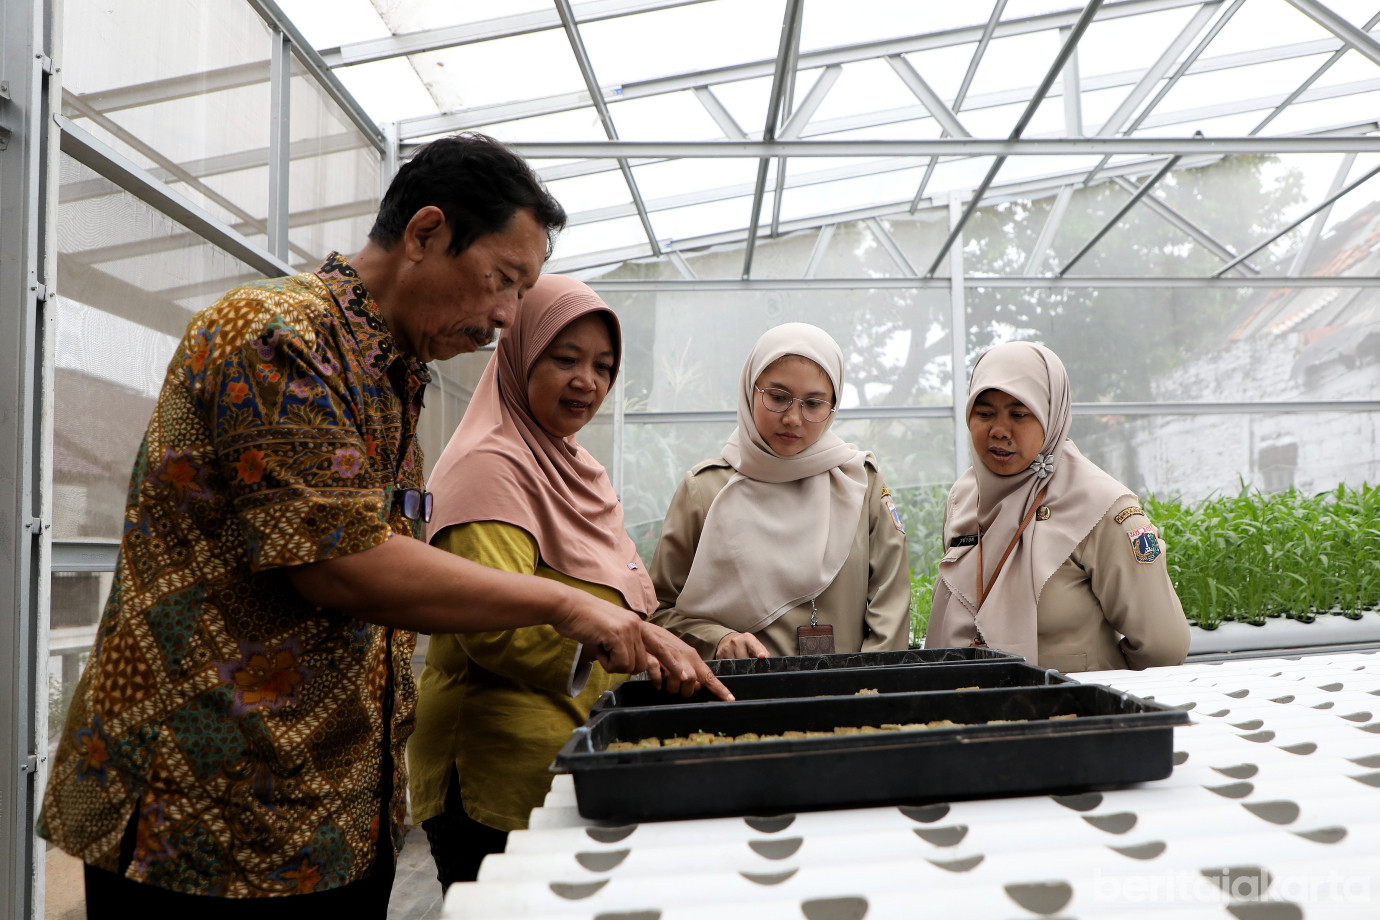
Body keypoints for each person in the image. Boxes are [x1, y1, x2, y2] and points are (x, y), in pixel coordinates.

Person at [37, 133, 720, 916]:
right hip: (202, 808)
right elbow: (340, 562)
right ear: (425, 234)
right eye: (502, 280)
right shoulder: (275, 333)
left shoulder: (394, 374)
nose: (504, 317)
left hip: (329, 811)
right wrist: (566, 604)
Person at [407, 275, 671, 889]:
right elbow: (494, 627)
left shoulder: (578, 468)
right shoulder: (490, 464)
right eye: (565, 358)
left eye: (604, 366)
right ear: (519, 354)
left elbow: (621, 593)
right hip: (494, 771)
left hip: (567, 757)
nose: (589, 381)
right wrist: (625, 646)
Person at [649, 322, 911, 660]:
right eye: (777, 397)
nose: (792, 418)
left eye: (813, 404)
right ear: (750, 389)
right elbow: (659, 611)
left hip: (846, 701)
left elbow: (891, 607)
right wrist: (718, 640)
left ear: (833, 407)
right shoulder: (706, 490)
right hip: (739, 702)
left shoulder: (861, 483)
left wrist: (866, 692)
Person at [927, 340, 1191, 672]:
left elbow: (1163, 646)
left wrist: (1097, 680)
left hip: (1069, 714)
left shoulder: (1103, 508)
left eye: (1020, 414)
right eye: (984, 413)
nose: (998, 430)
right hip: (967, 707)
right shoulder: (964, 497)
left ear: (1051, 415)